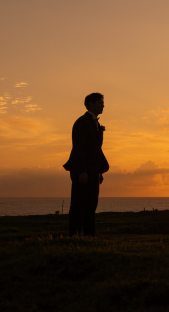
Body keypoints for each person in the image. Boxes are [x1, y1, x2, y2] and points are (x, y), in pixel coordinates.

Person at [63, 92, 110, 236]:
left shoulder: (95, 123)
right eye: (100, 102)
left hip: (93, 171)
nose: (103, 105)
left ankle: (89, 237)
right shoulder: (82, 123)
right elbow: (79, 148)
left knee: (91, 206)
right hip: (82, 171)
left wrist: (99, 172)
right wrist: (82, 171)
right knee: (78, 205)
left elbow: (96, 150)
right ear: (91, 104)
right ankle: (74, 236)